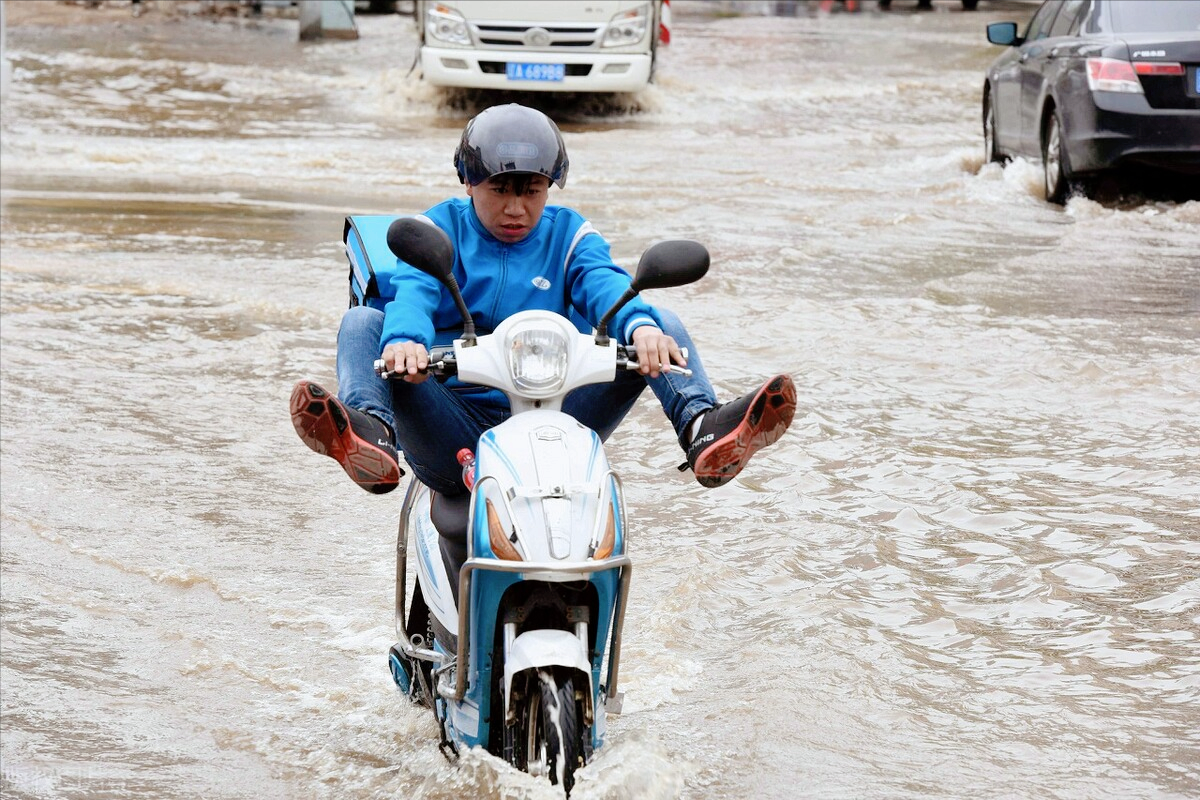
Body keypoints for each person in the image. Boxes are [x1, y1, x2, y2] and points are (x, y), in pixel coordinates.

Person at [290, 103, 796, 501]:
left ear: (549, 187)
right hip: (452, 420)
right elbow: (414, 293)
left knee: (660, 319)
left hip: (557, 415)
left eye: (532, 190)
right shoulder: (435, 229)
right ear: (468, 182)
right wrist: (405, 342)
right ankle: (370, 436)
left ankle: (703, 430)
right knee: (364, 322)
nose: (516, 208)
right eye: (500, 189)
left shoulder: (572, 234)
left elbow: (602, 283)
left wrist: (640, 329)